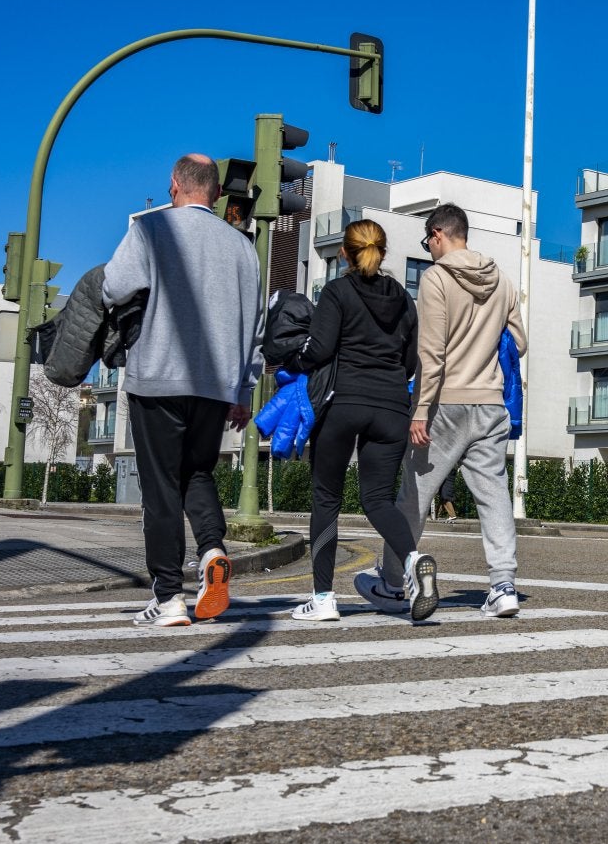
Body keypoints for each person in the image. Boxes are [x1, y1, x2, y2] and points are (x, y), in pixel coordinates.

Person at [104, 154, 261, 628]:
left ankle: (169, 596)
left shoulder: (152, 230)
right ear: (215, 191)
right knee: (197, 473)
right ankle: (212, 548)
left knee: (160, 488)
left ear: (174, 185)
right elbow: (256, 326)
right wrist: (243, 388)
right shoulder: (243, 248)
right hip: (215, 386)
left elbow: (114, 287)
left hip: (158, 376)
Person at [355, 202, 526, 618]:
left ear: (437, 235)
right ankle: (503, 585)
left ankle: (395, 582)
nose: (428, 249)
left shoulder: (436, 279)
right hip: (490, 403)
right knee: (493, 496)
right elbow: (519, 342)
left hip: (443, 404)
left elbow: (430, 354)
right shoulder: (502, 280)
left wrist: (420, 410)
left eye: (427, 241)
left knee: (414, 494)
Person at [292, 219, 436, 623]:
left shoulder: (337, 293)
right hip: (391, 409)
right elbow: (410, 362)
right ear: (384, 252)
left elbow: (319, 350)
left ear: (344, 253)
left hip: (343, 404)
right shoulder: (404, 301)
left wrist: (294, 362)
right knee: (376, 500)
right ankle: (412, 559)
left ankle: (322, 598)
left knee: (326, 500)